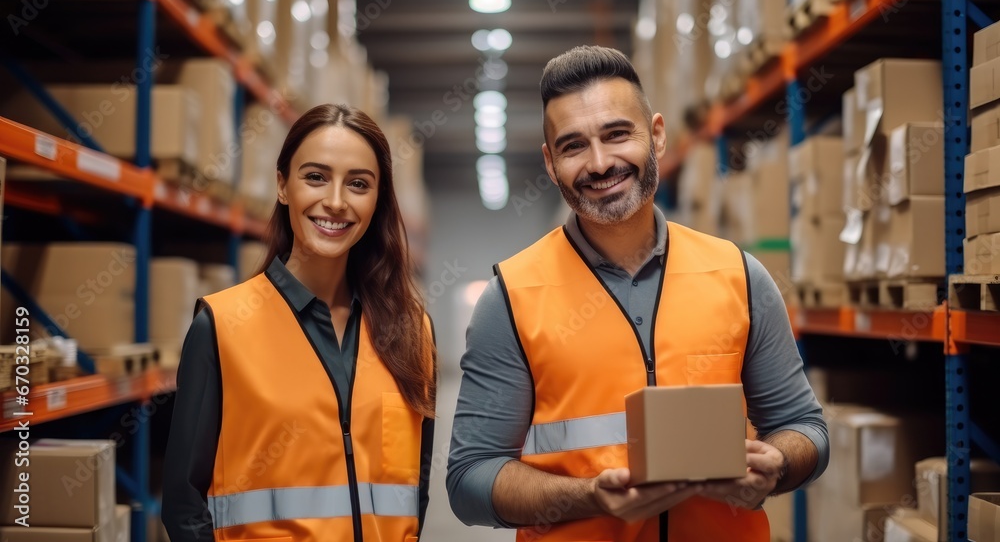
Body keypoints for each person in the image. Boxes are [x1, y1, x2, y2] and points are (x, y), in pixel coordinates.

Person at [446, 46, 829, 541]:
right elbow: (469, 479)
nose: (601, 163)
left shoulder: (739, 275)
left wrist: (778, 463)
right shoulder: (512, 297)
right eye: (573, 146)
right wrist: (586, 497)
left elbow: (806, 429)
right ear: (550, 162)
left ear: (657, 135)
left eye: (617, 134)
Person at [162, 104, 437, 542]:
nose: (335, 201)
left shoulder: (412, 333)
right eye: (315, 177)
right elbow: (183, 502)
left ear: (378, 199)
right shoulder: (222, 326)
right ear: (282, 185)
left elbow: (413, 494)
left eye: (359, 184)